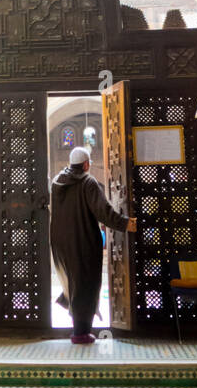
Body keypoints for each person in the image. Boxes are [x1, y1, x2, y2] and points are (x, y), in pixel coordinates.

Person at [50, 145, 137, 344]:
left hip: (60, 242)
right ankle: (80, 333)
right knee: (86, 285)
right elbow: (102, 211)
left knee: (72, 283)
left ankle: (78, 325)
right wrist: (124, 223)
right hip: (83, 241)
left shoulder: (57, 182)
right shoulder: (88, 182)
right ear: (87, 164)